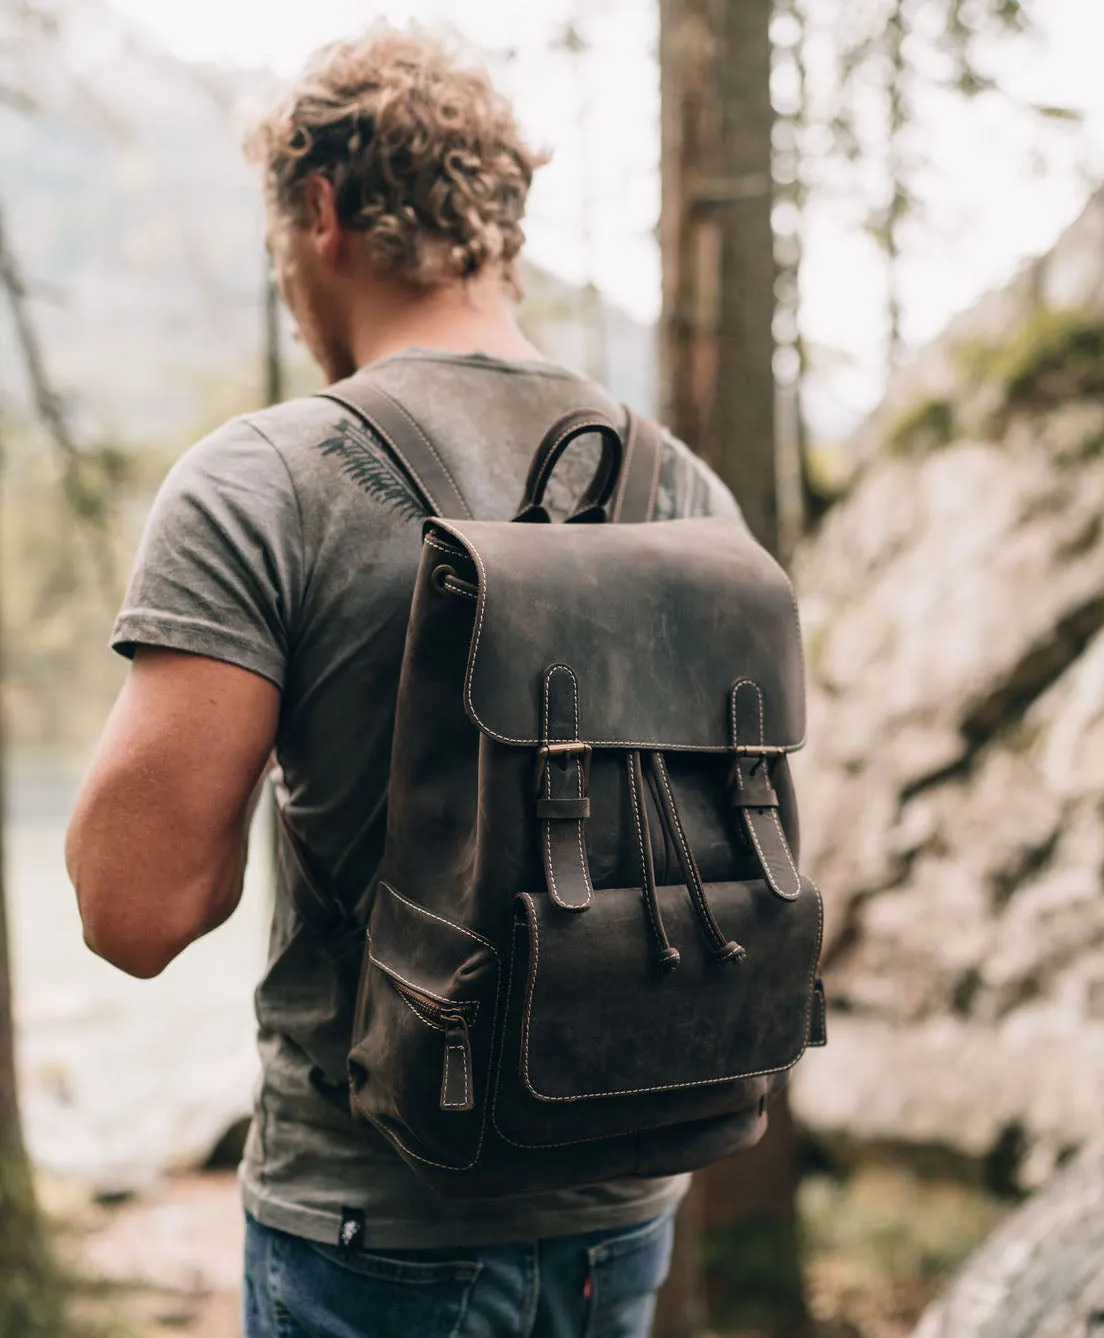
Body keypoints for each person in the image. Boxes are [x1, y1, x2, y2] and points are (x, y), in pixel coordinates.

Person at [65, 26, 740, 1338]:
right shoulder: (681, 489)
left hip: (372, 1231)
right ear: (498, 230)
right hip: (626, 1208)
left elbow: (132, 908)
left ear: (319, 212)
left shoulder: (266, 481)